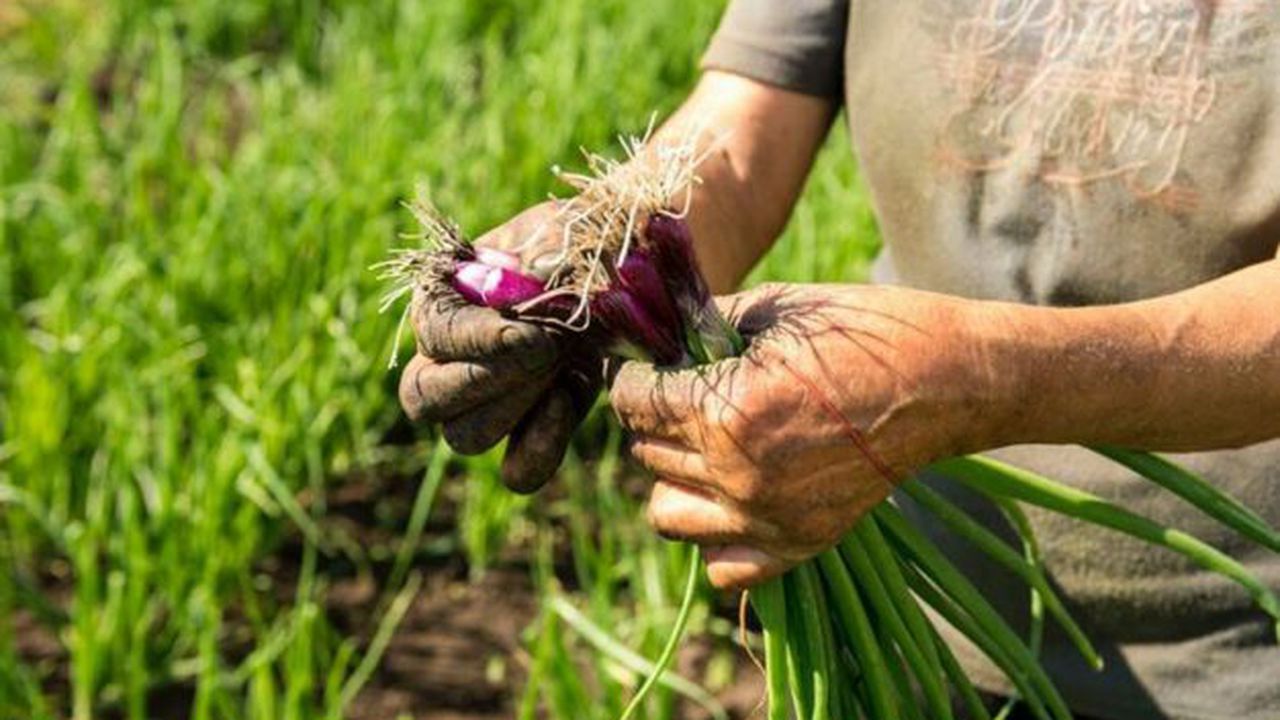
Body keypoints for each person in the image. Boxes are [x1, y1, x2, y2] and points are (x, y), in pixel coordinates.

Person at [399, 2, 1280, 718]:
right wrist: (577, 262)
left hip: (1243, 658)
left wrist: (980, 379)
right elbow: (742, 129)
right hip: (910, 623)